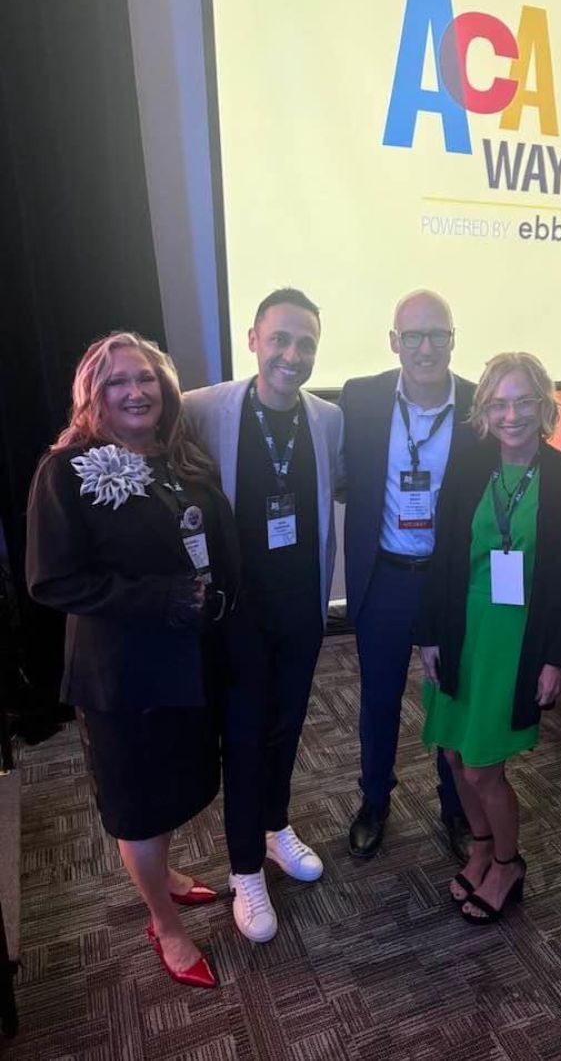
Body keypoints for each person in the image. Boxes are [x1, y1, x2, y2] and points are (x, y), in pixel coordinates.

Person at [26, 332, 239, 989]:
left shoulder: (180, 455)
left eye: (145, 378)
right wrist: (161, 598)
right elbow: (51, 581)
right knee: (139, 806)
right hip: (122, 677)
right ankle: (163, 924)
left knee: (175, 788)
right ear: (93, 394)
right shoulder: (66, 470)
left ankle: (164, 875)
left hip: (188, 662)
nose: (136, 391)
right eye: (117, 381)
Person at [183, 288, 344, 943]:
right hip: (239, 614)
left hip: (302, 607)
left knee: (287, 726)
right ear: (253, 339)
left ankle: (276, 828)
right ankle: (244, 867)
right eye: (280, 338)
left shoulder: (327, 418)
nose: (292, 354)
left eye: (306, 343)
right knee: (245, 737)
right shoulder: (202, 408)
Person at [415, 352, 561, 922]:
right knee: (455, 754)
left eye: (523, 401)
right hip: (462, 627)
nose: (511, 415)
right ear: (484, 411)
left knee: (484, 766)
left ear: (544, 406)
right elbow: (443, 554)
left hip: (515, 639)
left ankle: (509, 864)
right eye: (498, 403)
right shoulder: (470, 466)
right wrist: (430, 634)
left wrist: (558, 659)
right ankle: (483, 848)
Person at [338, 290, 474, 860]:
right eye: (413, 336)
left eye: (437, 334)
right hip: (386, 577)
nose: (425, 347)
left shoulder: (477, 404)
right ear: (394, 342)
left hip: (449, 581)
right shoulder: (361, 398)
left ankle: (456, 806)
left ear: (453, 339)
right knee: (380, 699)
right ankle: (374, 799)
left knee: (450, 696)